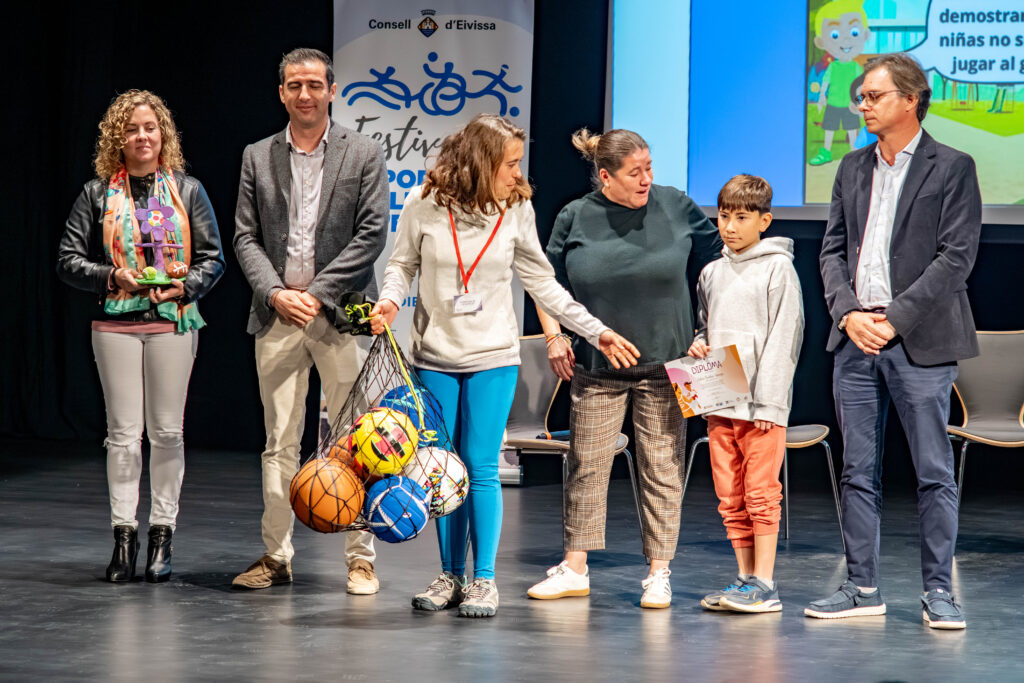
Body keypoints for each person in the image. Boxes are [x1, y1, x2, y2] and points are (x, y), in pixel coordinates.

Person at [369, 114, 640, 618]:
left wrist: (592, 329)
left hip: (493, 357)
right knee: (442, 471)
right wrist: (389, 300)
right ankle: (450, 574)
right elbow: (400, 265)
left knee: (481, 466)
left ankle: (484, 580)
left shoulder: (516, 207)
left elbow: (543, 283)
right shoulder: (424, 204)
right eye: (510, 163)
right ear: (480, 161)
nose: (518, 174)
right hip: (434, 358)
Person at [811, 53, 982, 629]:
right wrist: (848, 315)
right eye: (860, 96)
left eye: (874, 96)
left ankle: (939, 593)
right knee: (858, 471)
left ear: (910, 100)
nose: (862, 104)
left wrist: (895, 318)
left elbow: (956, 258)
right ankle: (861, 587)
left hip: (919, 340)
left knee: (933, 472)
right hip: (856, 339)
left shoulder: (952, 166)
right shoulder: (851, 167)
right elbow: (832, 251)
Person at [526, 128, 722, 608]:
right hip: (597, 365)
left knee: (662, 467)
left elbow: (720, 266)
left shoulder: (676, 205)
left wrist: (707, 333)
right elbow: (543, 282)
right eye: (635, 172)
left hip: (667, 364)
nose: (646, 180)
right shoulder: (576, 216)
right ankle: (575, 567)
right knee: (587, 465)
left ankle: (659, 572)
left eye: (650, 168)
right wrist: (554, 336)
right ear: (605, 176)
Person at [232, 48, 388, 593]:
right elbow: (244, 237)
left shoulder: (364, 152)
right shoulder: (257, 155)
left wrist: (315, 295)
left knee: (357, 441)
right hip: (276, 316)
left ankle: (360, 558)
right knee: (279, 439)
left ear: (331, 90)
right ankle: (276, 556)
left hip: (340, 315)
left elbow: (371, 236)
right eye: (294, 85)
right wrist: (275, 292)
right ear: (281, 93)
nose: (304, 93)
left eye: (314, 84)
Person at [57, 89, 225, 583]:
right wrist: (112, 277)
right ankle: (123, 538)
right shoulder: (97, 193)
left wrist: (183, 285)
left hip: (173, 321)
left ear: (163, 134)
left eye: (150, 127)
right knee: (123, 437)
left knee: (167, 433)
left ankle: (161, 536)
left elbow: (213, 259)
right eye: (131, 129)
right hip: (116, 326)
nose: (142, 136)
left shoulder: (188, 189)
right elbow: (68, 260)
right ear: (118, 138)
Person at [687, 175, 804, 613]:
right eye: (723, 216)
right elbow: (706, 326)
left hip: (761, 405)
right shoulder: (711, 272)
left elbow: (784, 338)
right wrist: (699, 345)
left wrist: (770, 404)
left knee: (760, 492)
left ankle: (766, 583)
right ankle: (744, 580)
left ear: (764, 220)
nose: (730, 226)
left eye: (741, 217)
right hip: (721, 400)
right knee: (730, 495)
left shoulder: (779, 268)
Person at [809, 0, 870, 166]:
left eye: (854, 32)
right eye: (834, 34)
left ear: (865, 35)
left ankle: (855, 154)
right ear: (821, 41)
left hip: (849, 105)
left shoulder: (855, 67)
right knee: (829, 129)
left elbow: (860, 86)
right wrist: (822, 97)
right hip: (833, 104)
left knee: (852, 130)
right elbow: (826, 82)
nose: (845, 39)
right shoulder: (833, 66)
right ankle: (826, 152)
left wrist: (859, 103)